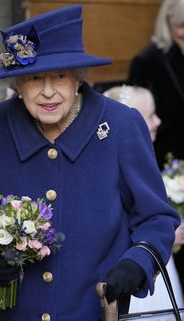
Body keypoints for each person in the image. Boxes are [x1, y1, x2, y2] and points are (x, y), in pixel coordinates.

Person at [0, 5, 180, 320]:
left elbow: (157, 218)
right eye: (34, 78)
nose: (48, 92)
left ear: (78, 78)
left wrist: (137, 263)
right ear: (18, 84)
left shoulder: (121, 126)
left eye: (59, 76)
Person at [103, 85, 184, 311]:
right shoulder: (120, 166)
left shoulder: (146, 155)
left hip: (157, 259)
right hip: (133, 270)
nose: (158, 121)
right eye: (150, 115)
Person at [127, 0, 184, 299]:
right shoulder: (148, 62)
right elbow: (136, 126)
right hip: (164, 167)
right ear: (168, 25)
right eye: (181, 29)